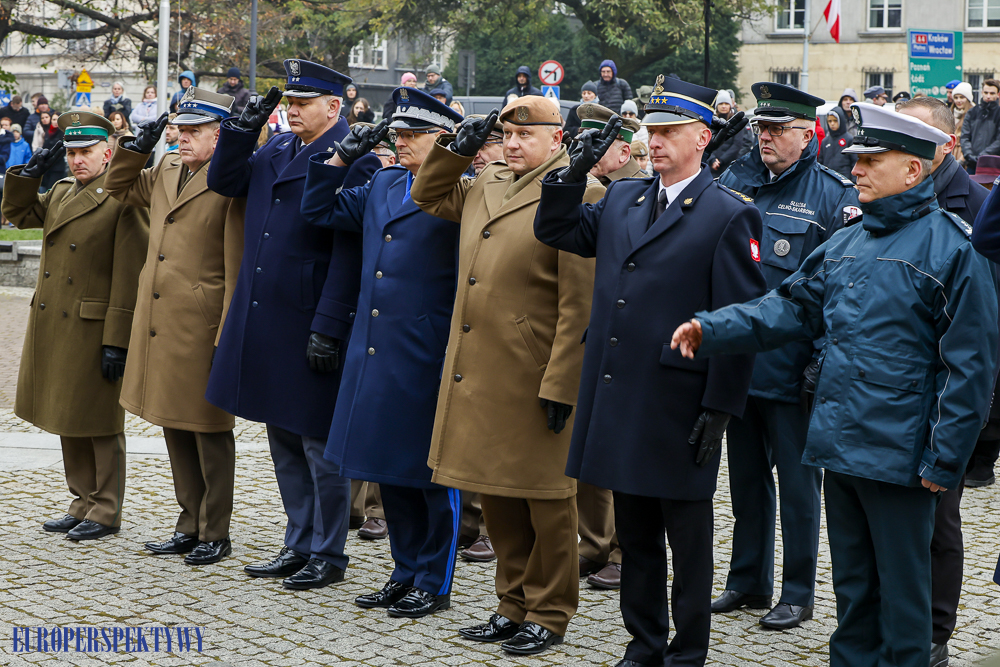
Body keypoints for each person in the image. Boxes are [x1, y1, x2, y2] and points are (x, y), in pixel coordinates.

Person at [673, 102, 998, 667]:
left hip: (901, 460)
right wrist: (711, 327)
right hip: (840, 448)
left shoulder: (953, 250)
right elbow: (787, 309)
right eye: (856, 160)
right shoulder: (846, 243)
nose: (857, 170)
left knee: (903, 600)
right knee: (853, 594)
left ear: (914, 170)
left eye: (873, 160)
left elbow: (970, 370)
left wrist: (943, 463)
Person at [533, 74, 767, 667]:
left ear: (702, 138)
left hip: (678, 399)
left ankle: (687, 651)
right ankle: (644, 643)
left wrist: (721, 406)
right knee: (634, 535)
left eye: (669, 132)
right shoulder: (620, 198)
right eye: (650, 131)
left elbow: (740, 320)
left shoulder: (727, 214)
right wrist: (569, 175)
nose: (655, 141)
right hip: (617, 390)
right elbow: (556, 229)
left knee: (687, 541)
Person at [411, 94, 603, 655]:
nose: (513, 145)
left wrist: (563, 382)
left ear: (556, 140)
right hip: (481, 369)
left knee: (546, 502)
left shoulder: (578, 191)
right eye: (507, 136)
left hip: (534, 372)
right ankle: (510, 603)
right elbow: (427, 194)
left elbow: (580, 304)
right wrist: (455, 150)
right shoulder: (487, 180)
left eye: (526, 136)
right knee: (496, 496)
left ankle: (549, 610)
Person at [205, 60, 381, 590]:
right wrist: (239, 131)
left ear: (335, 107)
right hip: (267, 312)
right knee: (281, 437)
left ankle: (329, 552)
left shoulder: (358, 160)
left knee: (317, 444)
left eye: (304, 103)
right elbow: (225, 181)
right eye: (290, 103)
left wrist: (330, 323)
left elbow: (351, 253)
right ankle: (297, 540)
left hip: (311, 317)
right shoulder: (278, 148)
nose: (292, 111)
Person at [300, 88, 465, 618]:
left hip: (427, 349)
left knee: (430, 475)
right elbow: (319, 208)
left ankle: (434, 581)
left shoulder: (461, 194)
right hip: (376, 349)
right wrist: (343, 156)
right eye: (398, 133)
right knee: (388, 467)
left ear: (445, 141)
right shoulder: (386, 182)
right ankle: (403, 570)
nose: (401, 141)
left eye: (413, 135)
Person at [714, 82, 859, 631]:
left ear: (808, 133)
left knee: (800, 492)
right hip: (740, 366)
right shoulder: (735, 182)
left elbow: (838, 293)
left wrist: (821, 363)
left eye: (779, 129)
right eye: (762, 128)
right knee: (746, 484)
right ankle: (747, 580)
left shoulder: (831, 195)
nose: (767, 138)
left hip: (795, 370)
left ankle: (797, 591)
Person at [104, 88, 244, 566]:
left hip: (203, 319)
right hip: (161, 315)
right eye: (178, 130)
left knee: (207, 427)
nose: (181, 138)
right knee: (172, 421)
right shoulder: (165, 168)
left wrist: (226, 329)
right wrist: (135, 146)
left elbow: (237, 259)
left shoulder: (232, 176)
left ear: (219, 133)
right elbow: (118, 186)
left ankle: (215, 529)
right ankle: (188, 522)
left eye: (193, 131)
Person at [3, 111, 148, 541]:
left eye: (86, 151)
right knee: (67, 413)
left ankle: (106, 508)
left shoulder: (122, 197)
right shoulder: (63, 192)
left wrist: (117, 340)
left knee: (100, 420)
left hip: (95, 324)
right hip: (58, 321)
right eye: (71, 152)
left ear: (109, 152)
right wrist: (27, 176)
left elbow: (129, 272)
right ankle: (82, 499)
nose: (77, 160)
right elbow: (20, 212)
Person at [896, 95, 991, 667]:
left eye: (916, 134)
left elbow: (985, 316)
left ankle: (935, 629)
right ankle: (894, 617)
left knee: (939, 516)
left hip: (946, 386)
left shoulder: (977, 205)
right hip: (891, 386)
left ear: (948, 145)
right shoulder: (887, 193)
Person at [707, 89, 751, 177]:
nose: (724, 106)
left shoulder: (736, 122)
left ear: (730, 106)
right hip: (711, 166)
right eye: (721, 104)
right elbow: (706, 142)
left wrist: (721, 160)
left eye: (726, 104)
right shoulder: (710, 121)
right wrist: (712, 160)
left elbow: (737, 144)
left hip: (729, 165)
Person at [960, 78, 1000, 175]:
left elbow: (999, 141)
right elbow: (965, 136)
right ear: (982, 92)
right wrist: (968, 154)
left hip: (993, 165)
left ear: (998, 94)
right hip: (971, 164)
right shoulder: (972, 112)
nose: (988, 96)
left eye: (992, 93)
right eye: (986, 92)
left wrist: (982, 156)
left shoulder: (998, 113)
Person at [819, 106, 857, 179]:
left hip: (845, 180)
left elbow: (854, 162)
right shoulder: (825, 141)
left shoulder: (849, 139)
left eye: (835, 120)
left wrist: (854, 182)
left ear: (841, 121)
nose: (832, 123)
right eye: (830, 121)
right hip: (828, 179)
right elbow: (821, 163)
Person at [952, 82, 975, 166]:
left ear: (968, 98)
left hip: (965, 154)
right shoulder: (951, 113)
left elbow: (972, 139)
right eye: (956, 97)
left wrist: (962, 158)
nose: (958, 100)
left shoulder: (973, 114)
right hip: (952, 153)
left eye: (962, 97)